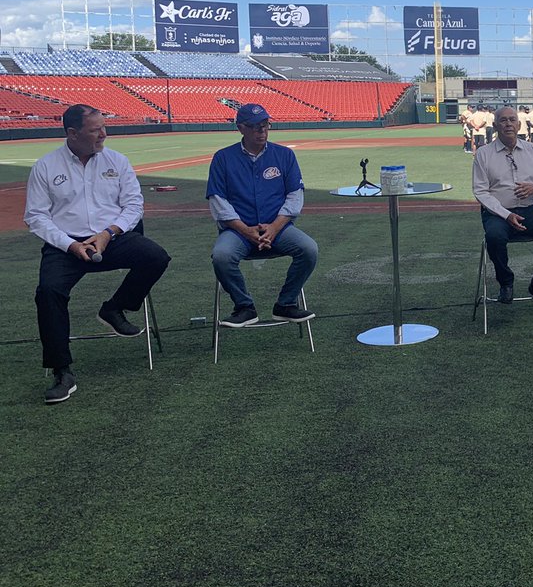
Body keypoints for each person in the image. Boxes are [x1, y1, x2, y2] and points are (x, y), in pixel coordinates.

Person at [24, 104, 172, 404]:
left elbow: (133, 205)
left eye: (104, 127)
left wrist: (108, 234)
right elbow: (36, 216)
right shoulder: (46, 166)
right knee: (48, 292)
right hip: (65, 245)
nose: (104, 134)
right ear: (72, 133)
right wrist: (70, 244)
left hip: (112, 237)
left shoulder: (117, 161)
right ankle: (62, 371)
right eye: (95, 130)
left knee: (156, 256)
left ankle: (114, 308)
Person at [206, 103, 319, 327]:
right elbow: (218, 201)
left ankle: (285, 305)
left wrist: (275, 227)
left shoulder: (285, 155)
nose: (262, 131)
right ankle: (244, 307)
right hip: (238, 231)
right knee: (222, 256)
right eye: (256, 127)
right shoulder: (223, 158)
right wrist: (245, 230)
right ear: (241, 128)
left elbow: (295, 195)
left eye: (265, 125)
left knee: (309, 249)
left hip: (278, 229)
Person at [472, 106, 533, 308]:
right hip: (497, 214)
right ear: (495, 125)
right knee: (494, 237)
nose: (508, 124)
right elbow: (481, 191)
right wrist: (506, 215)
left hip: (530, 211)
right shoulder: (483, 153)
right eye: (503, 120)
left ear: (518, 124)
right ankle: (506, 282)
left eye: (512, 120)